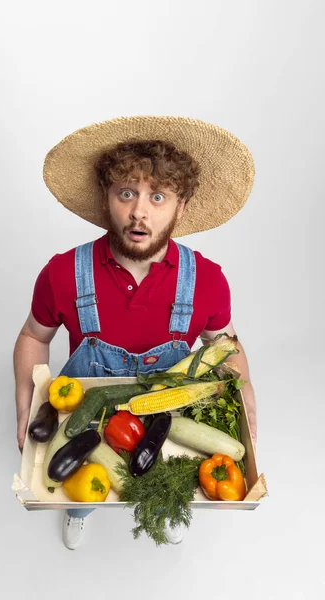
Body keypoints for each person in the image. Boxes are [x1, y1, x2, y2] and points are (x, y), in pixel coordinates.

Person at [13, 116, 257, 550]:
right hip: (85, 411)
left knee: (164, 474)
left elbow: (224, 345)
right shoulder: (63, 273)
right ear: (107, 198)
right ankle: (79, 510)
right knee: (77, 474)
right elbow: (34, 337)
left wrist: (247, 390)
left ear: (181, 207)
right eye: (126, 192)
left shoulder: (207, 280)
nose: (139, 211)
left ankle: (168, 505)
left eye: (158, 197)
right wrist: (26, 406)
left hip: (168, 415)